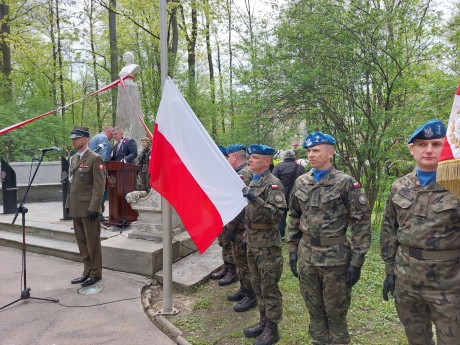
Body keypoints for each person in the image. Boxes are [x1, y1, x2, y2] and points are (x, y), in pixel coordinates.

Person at [380, 120, 460, 345]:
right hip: (407, 280)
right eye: (422, 144)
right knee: (416, 338)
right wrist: (389, 272)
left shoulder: (457, 185)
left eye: (436, 144)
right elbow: (389, 230)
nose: (428, 150)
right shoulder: (399, 186)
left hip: (450, 283)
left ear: (445, 147)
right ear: (411, 149)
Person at [288, 132, 371, 345]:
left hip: (335, 260)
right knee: (314, 309)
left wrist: (357, 262)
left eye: (316, 150)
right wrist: (292, 250)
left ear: (330, 152)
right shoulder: (301, 182)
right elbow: (295, 216)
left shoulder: (345, 183)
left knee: (336, 312)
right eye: (308, 151)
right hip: (307, 256)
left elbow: (361, 223)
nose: (311, 155)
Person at [242, 144, 286, 345]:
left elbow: (278, 215)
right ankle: (263, 320)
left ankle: (272, 328)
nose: (250, 160)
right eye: (250, 158)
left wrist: (256, 200)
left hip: (267, 244)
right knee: (257, 283)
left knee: (269, 286)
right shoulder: (253, 181)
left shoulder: (273, 184)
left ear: (267, 161)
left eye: (255, 158)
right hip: (252, 239)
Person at [65, 125, 105, 287]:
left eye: (77, 138)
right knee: (81, 241)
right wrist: (68, 203)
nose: (73, 141)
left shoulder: (95, 158)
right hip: (76, 207)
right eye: (73, 138)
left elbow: (99, 186)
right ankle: (86, 270)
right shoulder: (74, 158)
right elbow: (71, 184)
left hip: (89, 209)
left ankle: (96, 273)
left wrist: (94, 207)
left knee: (92, 242)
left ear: (86, 139)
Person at [225, 144, 256, 313]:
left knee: (244, 262)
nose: (227, 160)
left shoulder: (243, 174)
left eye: (228, 156)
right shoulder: (239, 173)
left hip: (241, 225)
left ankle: (250, 294)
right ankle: (244, 289)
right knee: (239, 260)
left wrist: (230, 226)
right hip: (239, 225)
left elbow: (240, 205)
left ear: (235, 157)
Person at [211, 145, 239, 286]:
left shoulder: (235, 173)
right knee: (223, 242)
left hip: (230, 215)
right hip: (221, 213)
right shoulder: (221, 172)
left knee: (228, 243)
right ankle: (227, 266)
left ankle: (232, 270)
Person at [272, 149, 306, 240]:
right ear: (293, 157)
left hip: (282, 196)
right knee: (298, 216)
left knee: (281, 217)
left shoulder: (278, 167)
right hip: (298, 196)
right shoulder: (301, 167)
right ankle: (298, 235)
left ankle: (281, 235)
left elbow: (273, 181)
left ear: (283, 157)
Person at [89, 126, 113, 220]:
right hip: (100, 167)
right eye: (112, 133)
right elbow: (102, 155)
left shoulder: (95, 137)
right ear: (107, 131)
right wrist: (103, 167)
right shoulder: (103, 138)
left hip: (92, 166)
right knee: (103, 189)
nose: (112, 136)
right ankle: (98, 212)